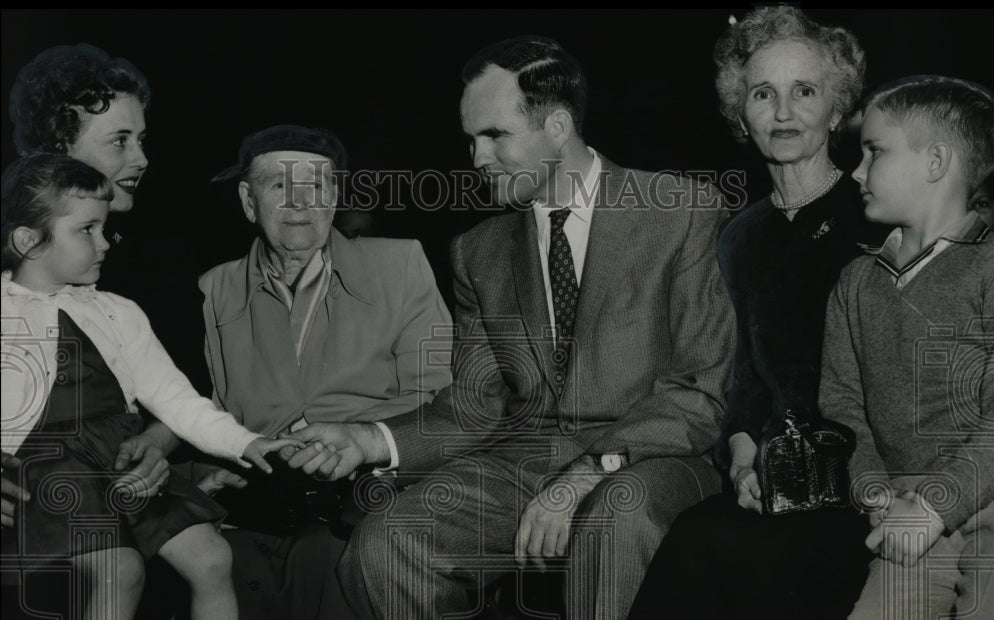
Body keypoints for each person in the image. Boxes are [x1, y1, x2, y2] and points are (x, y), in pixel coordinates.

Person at [281, 35, 735, 620]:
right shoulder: (479, 251)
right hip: (526, 463)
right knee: (391, 540)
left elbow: (700, 392)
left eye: (495, 135)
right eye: (471, 139)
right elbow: (475, 406)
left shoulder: (683, 211)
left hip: (653, 460)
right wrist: (367, 439)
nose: (477, 158)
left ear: (558, 127)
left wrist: (585, 472)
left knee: (614, 515)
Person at [629, 7, 885, 618]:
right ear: (740, 113)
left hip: (864, 481)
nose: (784, 111)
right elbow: (741, 368)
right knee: (691, 547)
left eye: (805, 91)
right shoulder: (738, 234)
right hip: (769, 476)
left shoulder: (876, 216)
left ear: (837, 107)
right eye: (763, 94)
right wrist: (743, 454)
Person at [0, 153, 299, 619]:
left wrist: (247, 442)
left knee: (214, 558)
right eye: (87, 230)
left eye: (104, 228)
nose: (105, 243)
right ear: (28, 241)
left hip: (122, 459)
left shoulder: (119, 312)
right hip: (49, 467)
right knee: (119, 570)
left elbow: (176, 399)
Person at [186, 124, 453, 619]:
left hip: (368, 493)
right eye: (279, 187)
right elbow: (211, 408)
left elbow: (438, 395)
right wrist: (210, 462)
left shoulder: (400, 264)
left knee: (333, 565)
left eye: (315, 187)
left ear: (335, 197)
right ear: (249, 201)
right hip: (257, 504)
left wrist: (357, 437)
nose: (299, 203)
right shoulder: (213, 290)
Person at [823, 75, 994, 620]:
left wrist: (936, 503)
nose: (855, 171)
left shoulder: (993, 268)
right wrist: (876, 493)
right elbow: (843, 409)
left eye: (874, 151)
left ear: (935, 162)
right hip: (908, 517)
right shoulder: (855, 283)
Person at [3, 43, 178, 542]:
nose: (141, 158)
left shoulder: (163, 260)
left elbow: (185, 386)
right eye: (119, 141)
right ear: (57, 150)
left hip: (132, 496)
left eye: (142, 139)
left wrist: (158, 443)